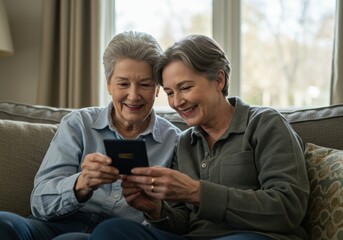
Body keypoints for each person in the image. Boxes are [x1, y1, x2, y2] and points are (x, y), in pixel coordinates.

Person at [87, 34, 310, 240]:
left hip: (253, 236)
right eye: (170, 93)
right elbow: (181, 223)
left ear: (219, 80)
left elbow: (289, 208)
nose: (177, 102)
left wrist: (198, 192)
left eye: (185, 88)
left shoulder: (264, 124)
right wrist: (155, 209)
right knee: (111, 231)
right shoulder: (184, 142)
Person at [0, 31, 181, 240]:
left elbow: (178, 222)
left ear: (157, 88)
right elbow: (40, 203)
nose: (133, 95)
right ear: (109, 84)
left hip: (116, 234)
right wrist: (81, 184)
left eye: (145, 84)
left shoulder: (174, 141)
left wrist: (154, 208)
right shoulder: (78, 124)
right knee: (3, 223)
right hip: (53, 225)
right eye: (123, 84)